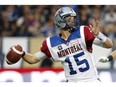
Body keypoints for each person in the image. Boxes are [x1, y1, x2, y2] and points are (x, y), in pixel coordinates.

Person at [8, 7, 113, 82]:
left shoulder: (83, 31)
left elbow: (109, 45)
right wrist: (21, 53)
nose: (72, 20)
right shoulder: (50, 43)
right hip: (71, 82)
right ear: (60, 21)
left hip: (91, 81)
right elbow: (33, 59)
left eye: (73, 18)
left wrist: (99, 34)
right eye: (69, 18)